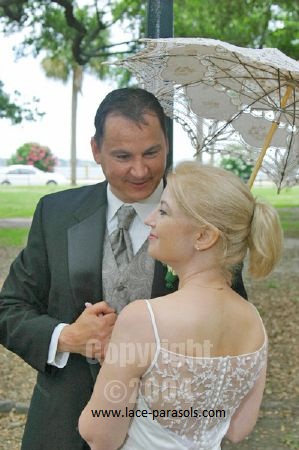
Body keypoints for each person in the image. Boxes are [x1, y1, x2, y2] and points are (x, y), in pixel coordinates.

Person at [0, 88, 246, 450]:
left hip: (166, 433)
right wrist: (66, 337)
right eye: (122, 155)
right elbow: (9, 309)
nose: (140, 169)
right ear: (96, 150)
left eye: (152, 152)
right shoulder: (54, 213)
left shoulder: (206, 221)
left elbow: (233, 328)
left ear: (167, 145)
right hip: (62, 428)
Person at [79, 161, 283, 450]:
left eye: (163, 211)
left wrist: (118, 370)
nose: (149, 219)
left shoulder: (144, 318)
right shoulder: (254, 320)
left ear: (204, 236)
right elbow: (238, 428)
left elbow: (99, 435)